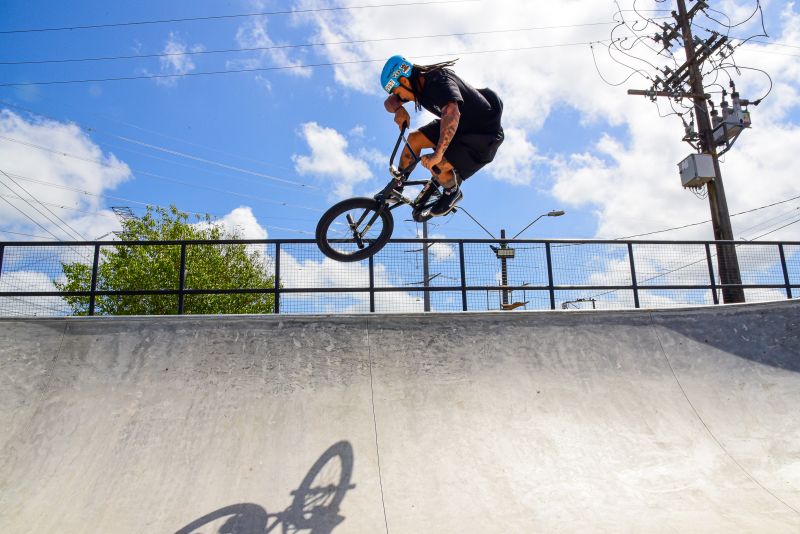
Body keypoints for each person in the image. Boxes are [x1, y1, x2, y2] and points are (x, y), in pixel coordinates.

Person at [381, 55, 504, 216]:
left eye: (399, 92)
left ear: (404, 81)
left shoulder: (439, 81)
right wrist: (398, 109)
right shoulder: (415, 84)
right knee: (414, 140)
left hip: (482, 136)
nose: (401, 98)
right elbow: (389, 103)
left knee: (436, 164)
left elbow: (452, 113)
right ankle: (398, 186)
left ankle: (452, 192)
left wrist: (438, 154)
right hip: (459, 126)